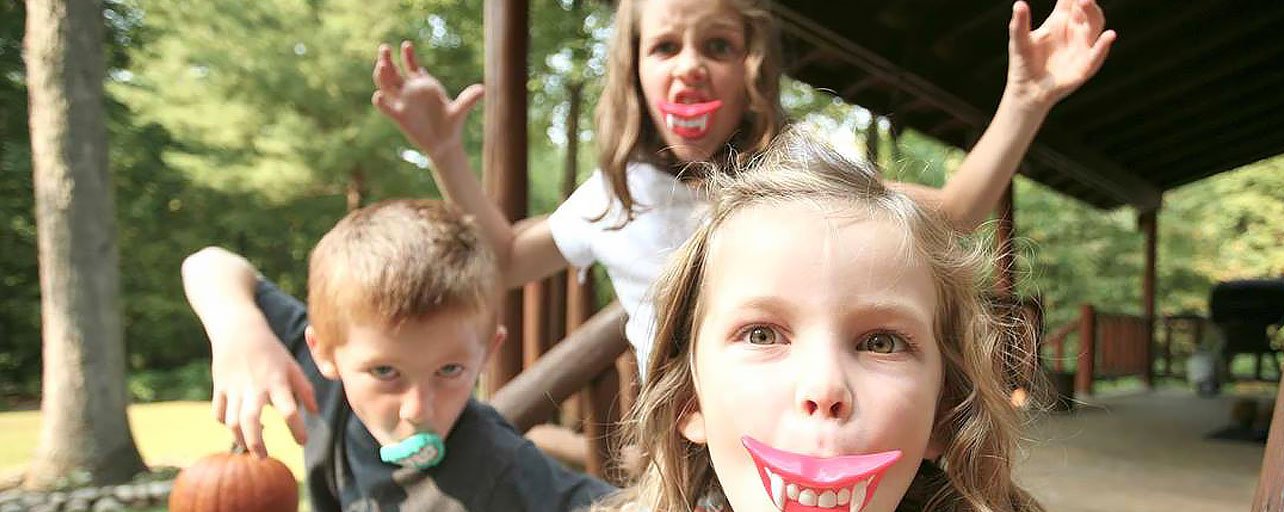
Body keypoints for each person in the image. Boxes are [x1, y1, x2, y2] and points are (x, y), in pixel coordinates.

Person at [451, 132, 1145, 512]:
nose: (824, 386)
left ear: (945, 412)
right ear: (689, 399)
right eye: (761, 334)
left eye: (881, 341)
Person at [371, 0, 1116, 373]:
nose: (689, 64)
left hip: (798, 437)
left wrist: (1026, 99)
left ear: (750, 68)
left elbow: (955, 213)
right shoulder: (615, 193)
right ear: (636, 70)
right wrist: (444, 150)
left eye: (717, 46)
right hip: (680, 458)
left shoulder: (796, 165)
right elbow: (502, 259)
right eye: (665, 45)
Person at [180, 199, 613, 512]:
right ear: (324, 353)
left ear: (487, 352)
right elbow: (209, 263)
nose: (416, 408)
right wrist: (239, 327)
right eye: (386, 373)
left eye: (450, 371)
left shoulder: (497, 468)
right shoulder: (325, 395)